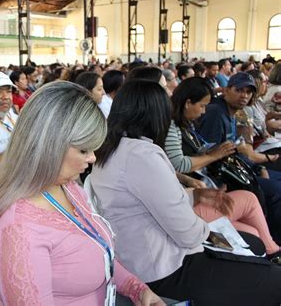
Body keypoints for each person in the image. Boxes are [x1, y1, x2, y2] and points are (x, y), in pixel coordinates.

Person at [91, 80, 281, 305]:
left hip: (145, 259)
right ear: (157, 115)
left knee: (252, 242)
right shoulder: (141, 155)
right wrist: (210, 231)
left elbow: (147, 201)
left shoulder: (113, 149)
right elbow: (187, 232)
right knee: (272, 278)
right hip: (164, 269)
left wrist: (195, 196)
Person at [0, 81, 163, 306]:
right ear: (49, 146)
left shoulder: (67, 188)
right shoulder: (19, 229)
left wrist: (139, 291)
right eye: (84, 149)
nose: (93, 158)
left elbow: (102, 257)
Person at [165, 77, 280, 255]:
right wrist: (213, 156)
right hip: (186, 212)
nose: (204, 111)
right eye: (202, 106)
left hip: (192, 199)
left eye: (249, 92)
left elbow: (175, 167)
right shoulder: (175, 125)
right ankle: (274, 252)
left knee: (254, 234)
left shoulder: (183, 125)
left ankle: (270, 251)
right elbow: (179, 163)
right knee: (251, 198)